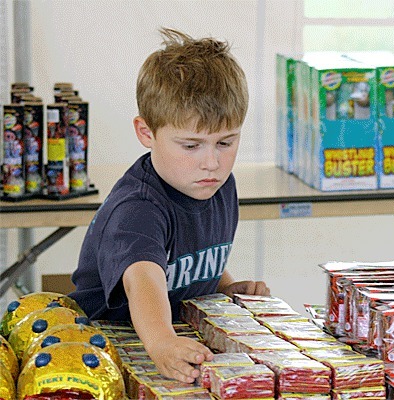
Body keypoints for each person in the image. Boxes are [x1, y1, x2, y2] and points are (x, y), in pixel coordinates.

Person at [69, 28, 270, 383]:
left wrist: (224, 287)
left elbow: (191, 255)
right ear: (146, 133)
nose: (211, 162)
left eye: (225, 142)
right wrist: (162, 342)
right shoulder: (137, 209)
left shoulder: (215, 185)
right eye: (191, 146)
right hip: (106, 350)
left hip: (174, 341)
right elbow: (143, 280)